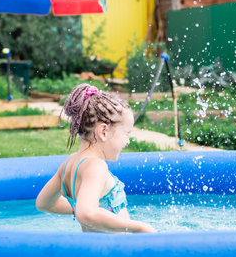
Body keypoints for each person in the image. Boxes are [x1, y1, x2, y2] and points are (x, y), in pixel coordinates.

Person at [36, 84, 156, 233]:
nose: (128, 141)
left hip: (95, 252)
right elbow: (86, 213)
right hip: (113, 252)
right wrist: (139, 227)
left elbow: (43, 203)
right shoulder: (96, 167)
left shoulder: (69, 163)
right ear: (103, 131)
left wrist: (78, 206)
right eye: (126, 133)